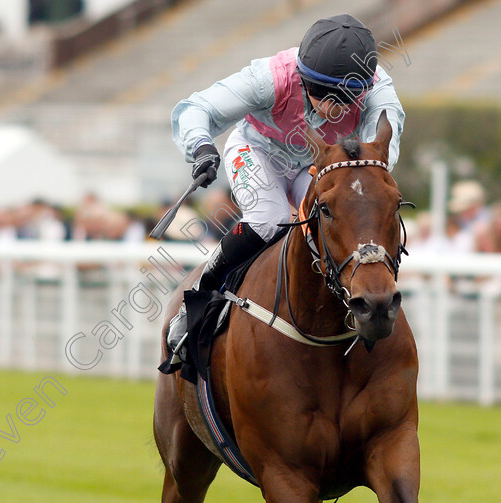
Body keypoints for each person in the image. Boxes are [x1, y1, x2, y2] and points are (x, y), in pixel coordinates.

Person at [167, 14, 405, 354]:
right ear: (302, 76)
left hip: (320, 164)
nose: (329, 107)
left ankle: (363, 305)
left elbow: (377, 160)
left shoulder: (378, 90)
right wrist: (202, 148)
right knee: (268, 217)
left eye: (344, 98)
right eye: (320, 93)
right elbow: (197, 108)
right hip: (259, 151)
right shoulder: (270, 77)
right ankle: (198, 300)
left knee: (344, 218)